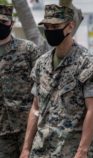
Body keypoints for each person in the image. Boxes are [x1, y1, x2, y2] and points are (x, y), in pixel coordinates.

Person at [20, 4, 93, 158]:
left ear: (70, 26)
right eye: (47, 27)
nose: (50, 31)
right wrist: (26, 148)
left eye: (55, 26)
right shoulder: (41, 63)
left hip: (72, 150)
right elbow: (35, 108)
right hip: (41, 150)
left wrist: (82, 151)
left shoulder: (88, 62)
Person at [0, 4, 42, 158]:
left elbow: (42, 84)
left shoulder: (28, 49)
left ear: (11, 23)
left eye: (3, 22)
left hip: (28, 126)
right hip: (2, 132)